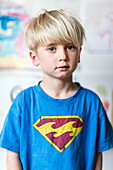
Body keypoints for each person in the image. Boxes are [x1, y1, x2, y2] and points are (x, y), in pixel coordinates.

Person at [0, 9, 113, 170]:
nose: (63, 56)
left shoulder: (91, 102)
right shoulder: (24, 102)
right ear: (34, 58)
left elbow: (97, 154)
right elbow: (12, 155)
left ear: (79, 53)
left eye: (70, 47)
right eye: (52, 48)